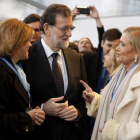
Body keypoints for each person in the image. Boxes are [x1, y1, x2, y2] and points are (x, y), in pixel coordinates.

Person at [21, 4, 88, 140]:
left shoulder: (76, 58)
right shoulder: (26, 57)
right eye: (64, 28)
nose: (69, 34)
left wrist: (77, 112)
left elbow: (84, 99)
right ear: (47, 28)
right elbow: (15, 104)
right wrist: (42, 107)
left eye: (71, 28)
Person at [80, 26, 140, 140]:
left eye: (122, 44)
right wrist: (95, 99)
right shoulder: (119, 73)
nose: (117, 48)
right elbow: (112, 105)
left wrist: (116, 131)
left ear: (136, 50)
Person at [0, 18, 45, 140]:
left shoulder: (17, 67)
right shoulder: (2, 70)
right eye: (26, 40)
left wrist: (33, 113)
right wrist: (27, 117)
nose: (30, 44)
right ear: (15, 42)